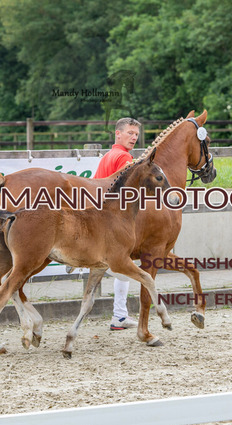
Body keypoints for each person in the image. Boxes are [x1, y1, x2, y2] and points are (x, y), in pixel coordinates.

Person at [94, 117, 141, 330]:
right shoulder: (124, 157)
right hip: (109, 223)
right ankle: (119, 315)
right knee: (123, 268)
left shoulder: (108, 156)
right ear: (118, 134)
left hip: (99, 218)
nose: (134, 137)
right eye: (130, 133)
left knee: (122, 271)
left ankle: (120, 316)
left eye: (136, 134)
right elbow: (128, 193)